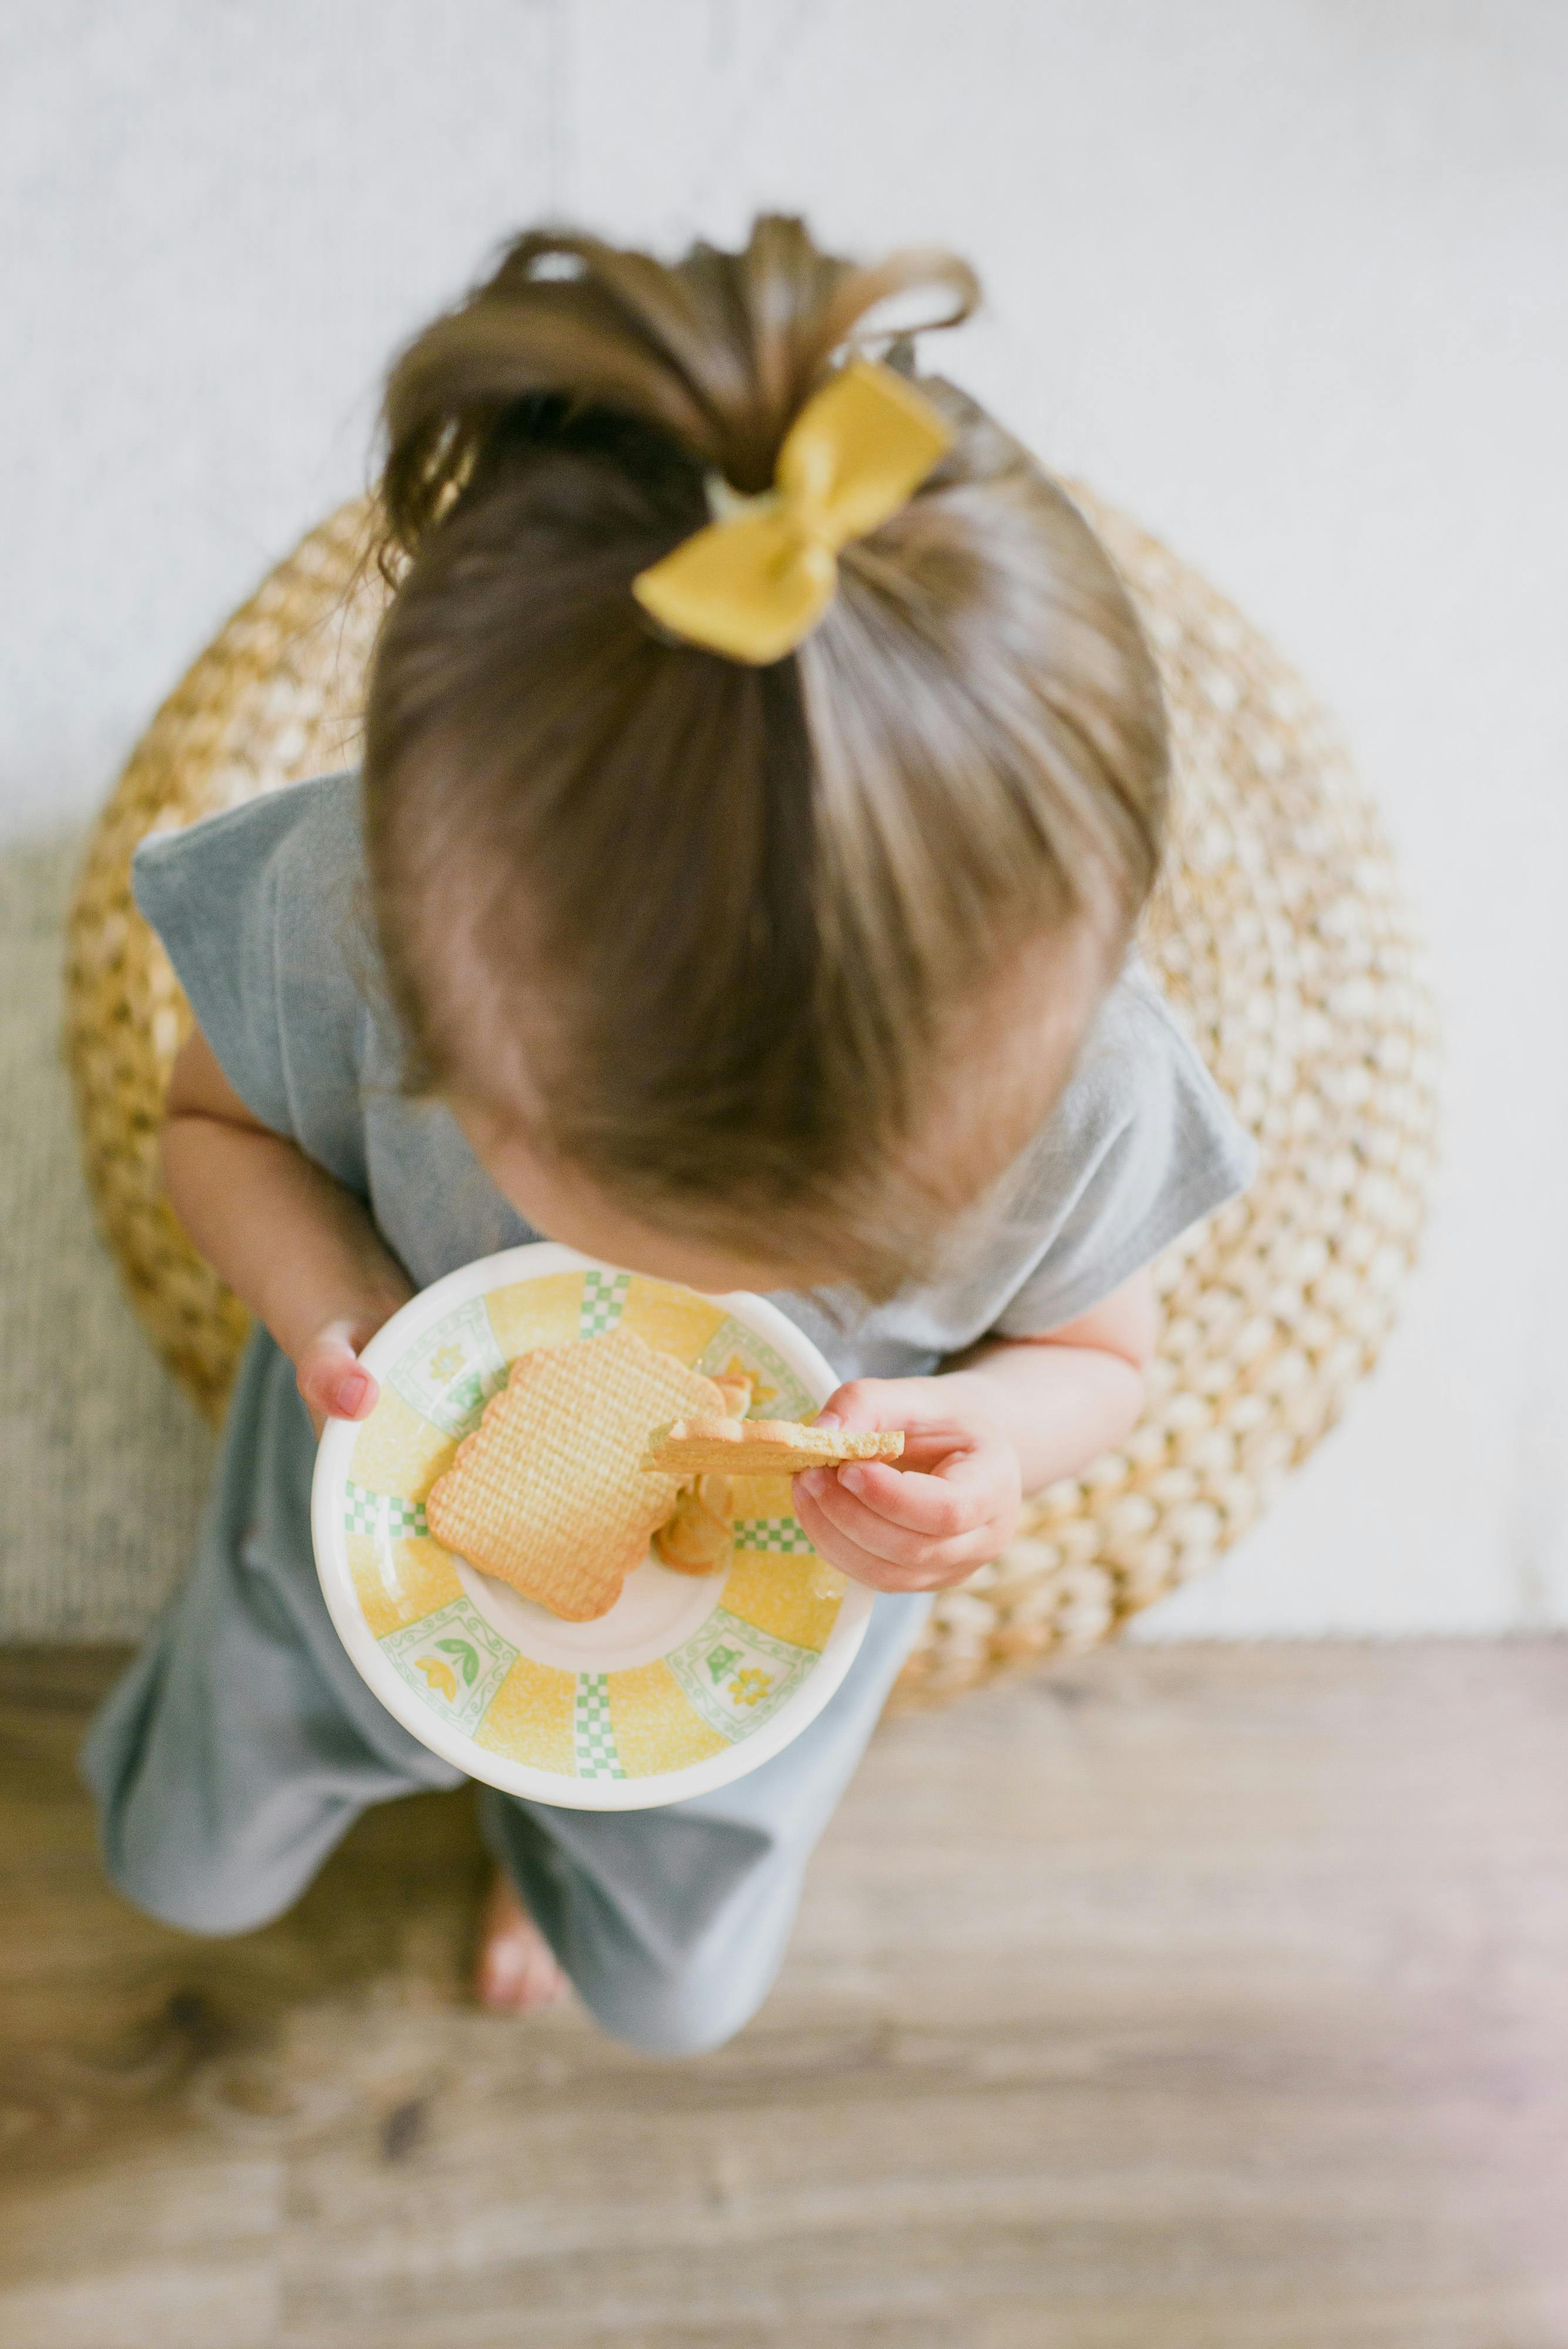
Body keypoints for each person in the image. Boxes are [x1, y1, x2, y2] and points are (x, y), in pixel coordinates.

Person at [83, 217, 1254, 2055]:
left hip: (753, 1659)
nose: (682, 1293)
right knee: (189, 1861)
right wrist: (340, 1306)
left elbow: (1100, 1352)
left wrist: (994, 1451)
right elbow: (211, 1135)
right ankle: (312, 1812)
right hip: (327, 1570)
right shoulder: (354, 923)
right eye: (639, 1208)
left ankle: (544, 1853)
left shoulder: (1080, 1085)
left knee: (671, 1985)